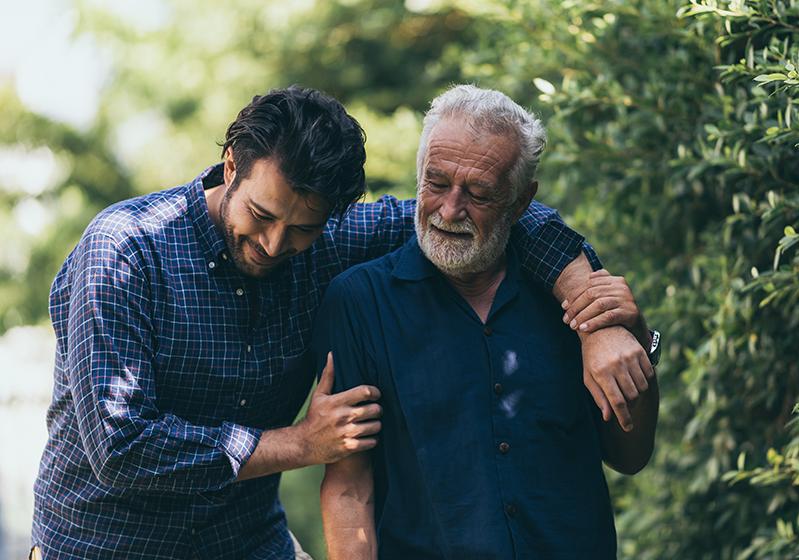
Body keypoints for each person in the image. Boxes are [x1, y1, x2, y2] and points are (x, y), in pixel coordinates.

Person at [31, 86, 650, 559]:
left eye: (301, 228)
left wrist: (595, 316)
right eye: (261, 214)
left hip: (247, 546)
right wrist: (302, 442)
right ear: (230, 166)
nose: (275, 244)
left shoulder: (333, 239)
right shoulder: (123, 253)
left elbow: (504, 217)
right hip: (102, 546)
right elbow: (121, 446)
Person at [317, 85, 660, 559]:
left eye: (479, 193)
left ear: (521, 202)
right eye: (436, 184)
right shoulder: (359, 300)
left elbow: (629, 456)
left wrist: (635, 345)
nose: (450, 210)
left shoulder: (575, 295)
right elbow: (350, 487)